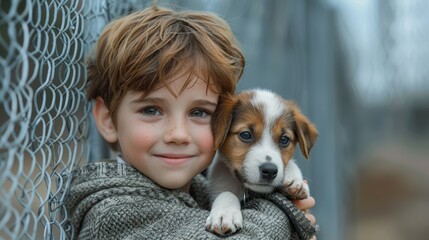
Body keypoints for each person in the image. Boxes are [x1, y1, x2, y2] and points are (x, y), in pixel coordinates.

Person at [65, 4, 318, 240]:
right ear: (109, 120)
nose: (178, 134)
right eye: (152, 110)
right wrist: (286, 215)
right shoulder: (113, 212)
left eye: (199, 113)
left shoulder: (196, 189)